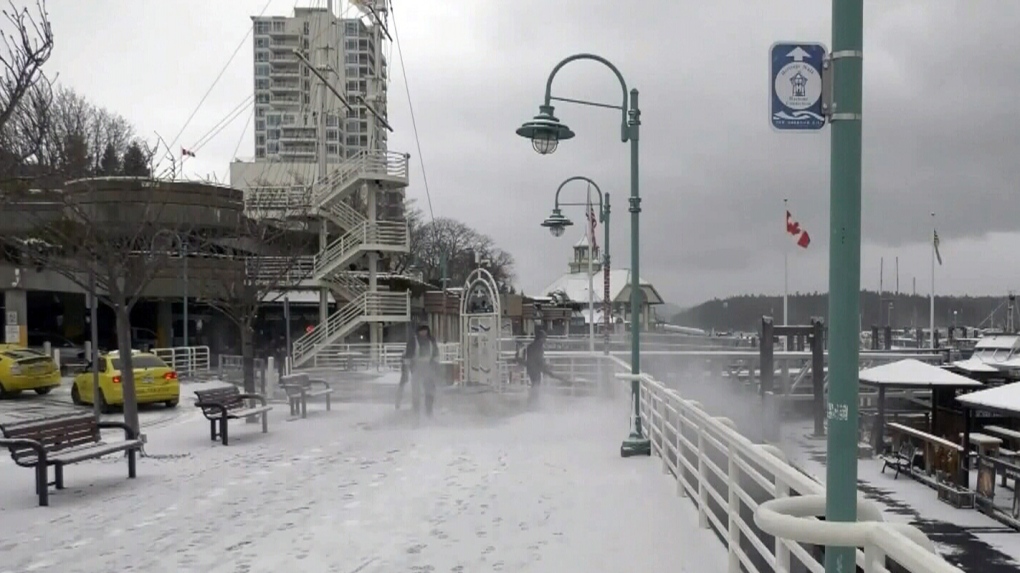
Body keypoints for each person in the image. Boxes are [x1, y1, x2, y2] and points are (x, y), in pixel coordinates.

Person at [396, 324, 439, 416]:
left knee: (430, 390)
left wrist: (435, 367)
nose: (423, 332)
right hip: (416, 368)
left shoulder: (431, 340)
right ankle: (416, 411)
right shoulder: (413, 341)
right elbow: (408, 356)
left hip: (428, 368)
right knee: (416, 391)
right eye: (421, 330)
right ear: (418, 331)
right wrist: (406, 371)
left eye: (425, 330)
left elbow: (435, 354)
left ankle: (429, 411)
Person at [521, 329, 560, 407]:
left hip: (531, 368)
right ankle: (533, 403)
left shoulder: (530, 346)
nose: (545, 340)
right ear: (540, 338)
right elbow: (539, 360)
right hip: (535, 369)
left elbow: (533, 359)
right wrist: (546, 367)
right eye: (544, 338)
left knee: (534, 385)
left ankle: (532, 402)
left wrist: (545, 367)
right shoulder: (538, 347)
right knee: (536, 385)